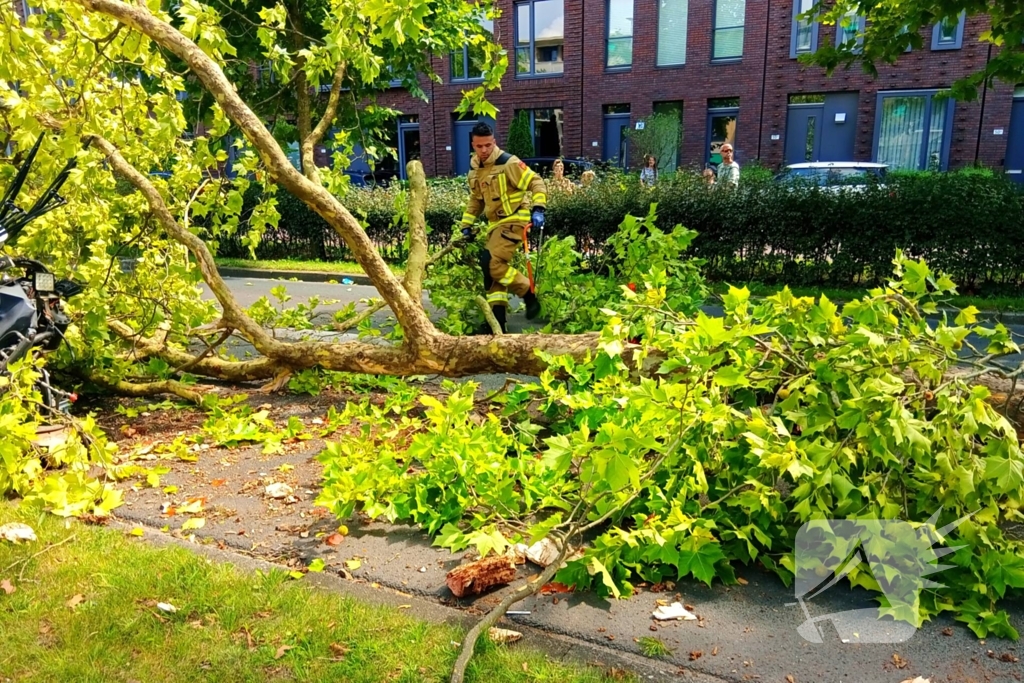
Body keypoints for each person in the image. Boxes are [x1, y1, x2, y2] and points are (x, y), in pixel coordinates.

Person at [458, 122, 546, 334]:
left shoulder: (508, 163)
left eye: (488, 145)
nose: (484, 150)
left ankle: (528, 293)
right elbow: (476, 201)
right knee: (491, 272)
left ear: (494, 142)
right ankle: (496, 324)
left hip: (515, 220)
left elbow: (536, 181)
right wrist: (466, 226)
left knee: (490, 262)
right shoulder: (474, 169)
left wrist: (539, 208)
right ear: (473, 145)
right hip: (495, 225)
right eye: (479, 146)